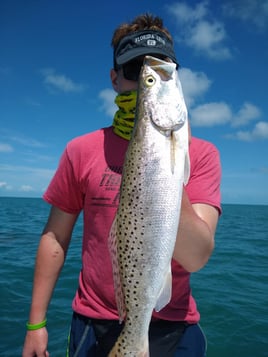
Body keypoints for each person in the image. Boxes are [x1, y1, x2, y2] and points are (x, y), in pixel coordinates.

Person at [22, 13, 221, 357]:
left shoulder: (202, 154)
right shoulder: (80, 150)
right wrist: (36, 324)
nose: (154, 76)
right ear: (115, 79)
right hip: (93, 322)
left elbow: (196, 257)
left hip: (174, 324)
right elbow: (55, 237)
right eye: (137, 73)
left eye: (164, 68)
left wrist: (168, 160)